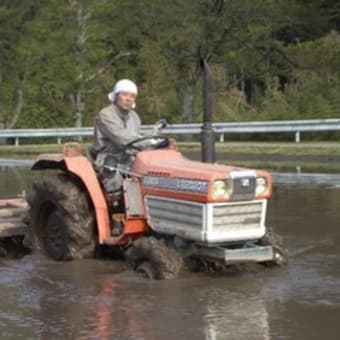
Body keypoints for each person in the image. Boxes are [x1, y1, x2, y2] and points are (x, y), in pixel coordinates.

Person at [90, 79, 163, 194]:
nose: (128, 99)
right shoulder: (106, 114)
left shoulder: (135, 117)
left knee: (152, 171)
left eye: (132, 96)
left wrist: (154, 138)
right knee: (111, 169)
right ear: (116, 96)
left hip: (128, 158)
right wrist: (149, 141)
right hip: (108, 157)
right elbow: (121, 137)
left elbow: (136, 137)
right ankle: (115, 203)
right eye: (124, 94)